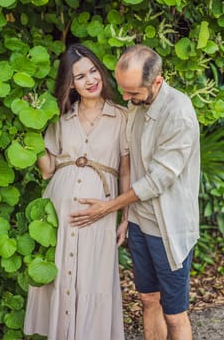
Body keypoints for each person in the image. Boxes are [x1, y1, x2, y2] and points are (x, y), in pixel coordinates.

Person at [70, 44, 200, 340]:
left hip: (169, 229)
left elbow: (156, 181)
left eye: (133, 93)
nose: (126, 99)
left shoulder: (178, 113)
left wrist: (108, 207)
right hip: (141, 224)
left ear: (157, 81)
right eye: (124, 91)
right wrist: (127, 215)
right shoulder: (138, 107)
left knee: (175, 313)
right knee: (148, 300)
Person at [24, 43, 130, 340]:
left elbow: (125, 170)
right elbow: (47, 170)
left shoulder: (121, 116)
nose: (90, 79)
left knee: (93, 278)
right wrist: (29, 129)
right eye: (80, 76)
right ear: (70, 84)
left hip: (100, 211)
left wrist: (124, 216)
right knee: (61, 275)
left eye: (93, 71)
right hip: (59, 211)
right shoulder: (61, 120)